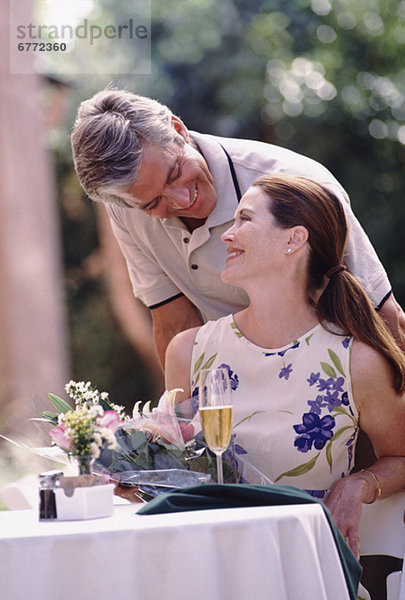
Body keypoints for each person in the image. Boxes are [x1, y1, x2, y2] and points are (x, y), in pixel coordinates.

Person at [71, 89, 405, 367]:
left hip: (339, 381)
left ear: (179, 130)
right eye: (152, 203)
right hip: (239, 389)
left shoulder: (296, 182)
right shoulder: (127, 210)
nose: (181, 199)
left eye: (175, 173)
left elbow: (383, 317)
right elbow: (175, 325)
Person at [164, 174, 405, 557]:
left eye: (245, 219)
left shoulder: (356, 359)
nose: (227, 235)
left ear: (293, 239)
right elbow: (170, 470)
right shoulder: (188, 351)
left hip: (307, 565)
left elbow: (400, 456)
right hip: (207, 563)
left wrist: (360, 485)